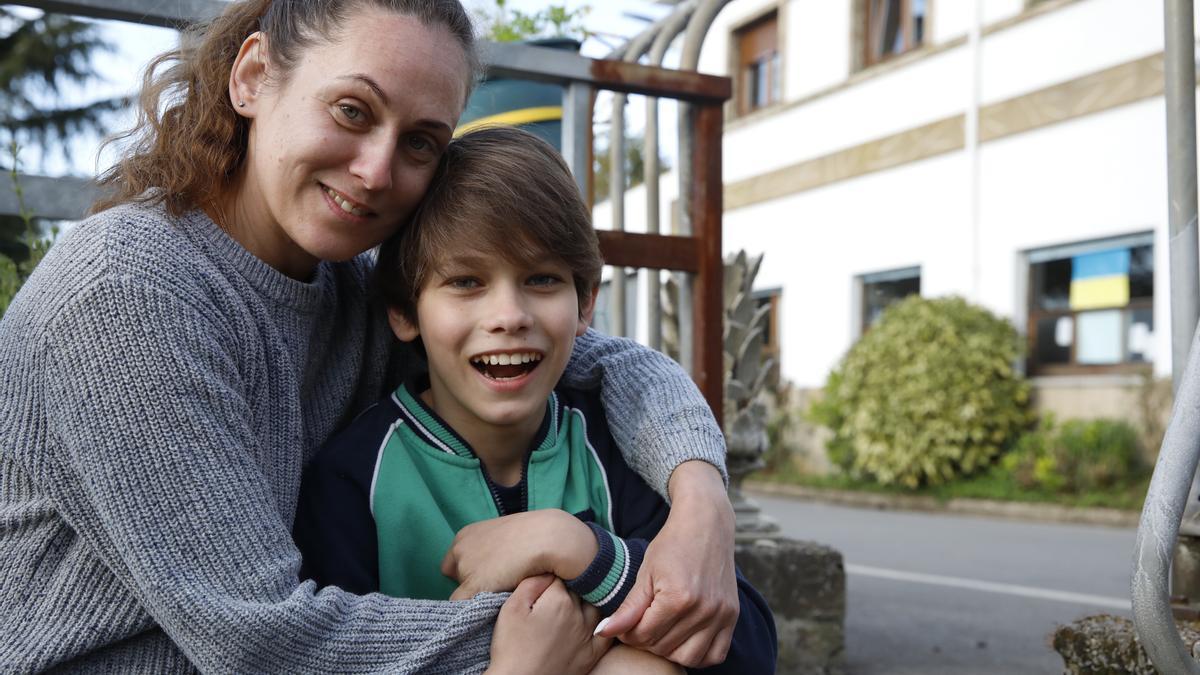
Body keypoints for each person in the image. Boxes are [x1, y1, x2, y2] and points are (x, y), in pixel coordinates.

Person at [0, 1, 740, 673]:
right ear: (254, 77)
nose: (379, 169)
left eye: (420, 142)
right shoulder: (127, 291)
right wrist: (608, 605)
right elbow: (258, 638)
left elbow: (598, 361)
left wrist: (701, 501)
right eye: (353, 110)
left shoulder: (349, 288)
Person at [292, 126, 777, 673]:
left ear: (585, 303)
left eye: (542, 279)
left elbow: (744, 646)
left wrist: (577, 548)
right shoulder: (353, 479)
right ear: (404, 312)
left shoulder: (613, 441)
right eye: (466, 282)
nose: (510, 316)